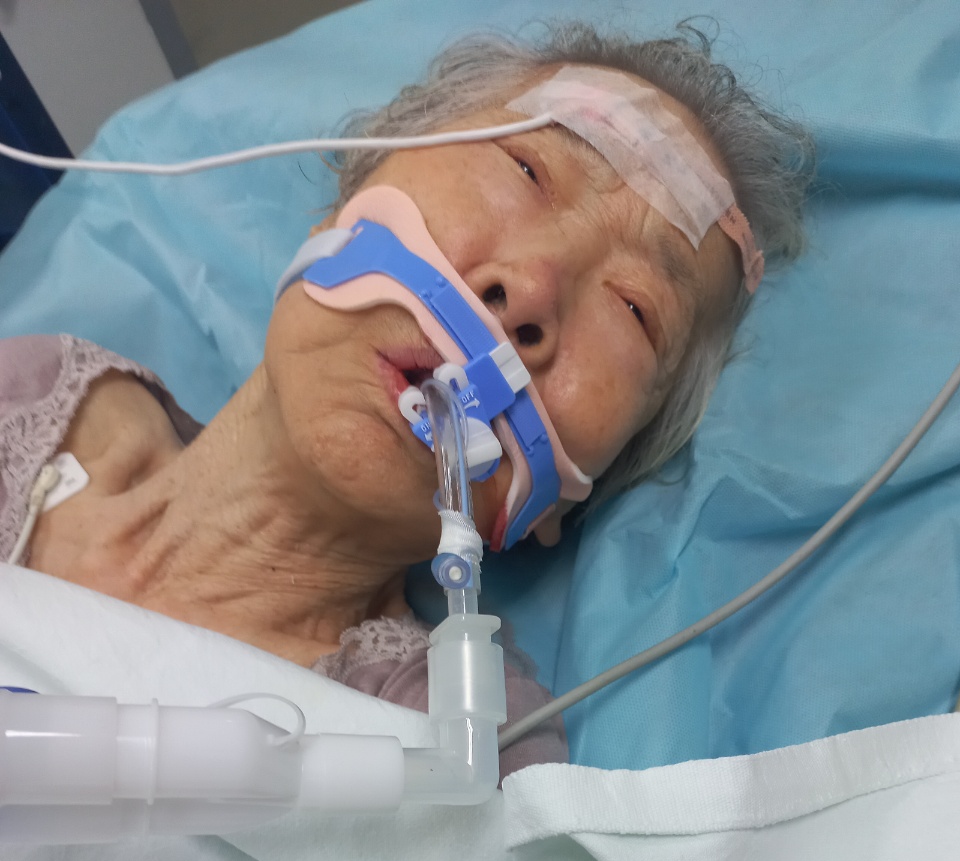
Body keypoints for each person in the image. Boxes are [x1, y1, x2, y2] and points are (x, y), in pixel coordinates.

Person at [0, 22, 811, 773]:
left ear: (572, 499)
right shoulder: (30, 397)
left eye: (635, 309)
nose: (528, 291)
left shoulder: (464, 753)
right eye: (526, 170)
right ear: (341, 208)